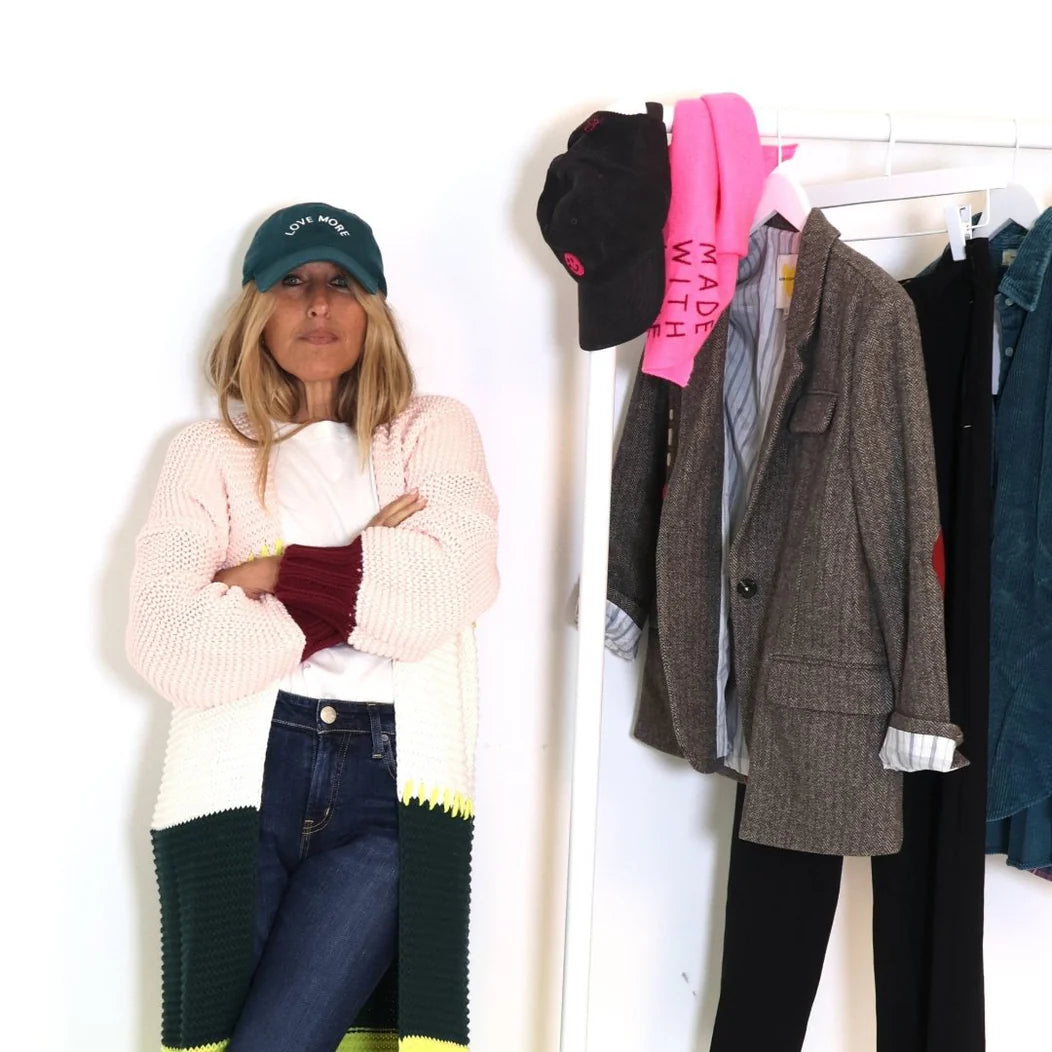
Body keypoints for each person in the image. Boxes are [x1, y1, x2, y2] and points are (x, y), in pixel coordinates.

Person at [126, 202, 499, 1052]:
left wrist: (265, 575)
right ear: (257, 308)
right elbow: (168, 641)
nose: (319, 305)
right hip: (244, 778)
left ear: (374, 310)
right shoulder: (207, 451)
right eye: (293, 283)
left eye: (342, 283)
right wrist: (368, 566)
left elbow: (451, 586)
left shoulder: (431, 433)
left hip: (387, 785)